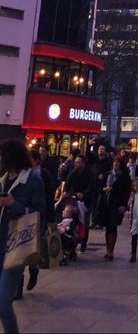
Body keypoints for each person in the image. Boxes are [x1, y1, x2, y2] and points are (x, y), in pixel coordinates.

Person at [0, 139, 45, 334]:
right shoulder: (2, 179)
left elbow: (38, 214)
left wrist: (12, 204)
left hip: (15, 247)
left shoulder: (33, 180)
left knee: (3, 302)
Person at [23, 148, 57, 294]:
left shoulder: (44, 175)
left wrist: (50, 218)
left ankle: (33, 269)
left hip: (39, 216)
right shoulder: (22, 174)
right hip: (23, 215)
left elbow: (49, 198)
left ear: (36, 160)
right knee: (21, 248)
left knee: (33, 247)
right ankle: (18, 286)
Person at [101, 159, 131, 260]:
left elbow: (126, 192)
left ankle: (111, 251)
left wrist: (124, 204)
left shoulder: (124, 177)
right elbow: (100, 187)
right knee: (107, 227)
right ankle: (107, 249)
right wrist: (103, 189)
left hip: (117, 204)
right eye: (114, 162)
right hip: (106, 203)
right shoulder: (107, 174)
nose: (116, 164)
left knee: (113, 227)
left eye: (118, 162)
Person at [63, 154, 94, 251]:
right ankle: (74, 241)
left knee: (85, 222)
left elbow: (92, 187)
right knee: (74, 221)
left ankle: (84, 242)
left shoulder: (89, 173)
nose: (76, 164)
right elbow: (67, 184)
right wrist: (65, 193)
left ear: (83, 163)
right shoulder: (73, 173)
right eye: (75, 162)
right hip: (74, 200)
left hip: (86, 201)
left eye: (78, 162)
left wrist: (83, 194)